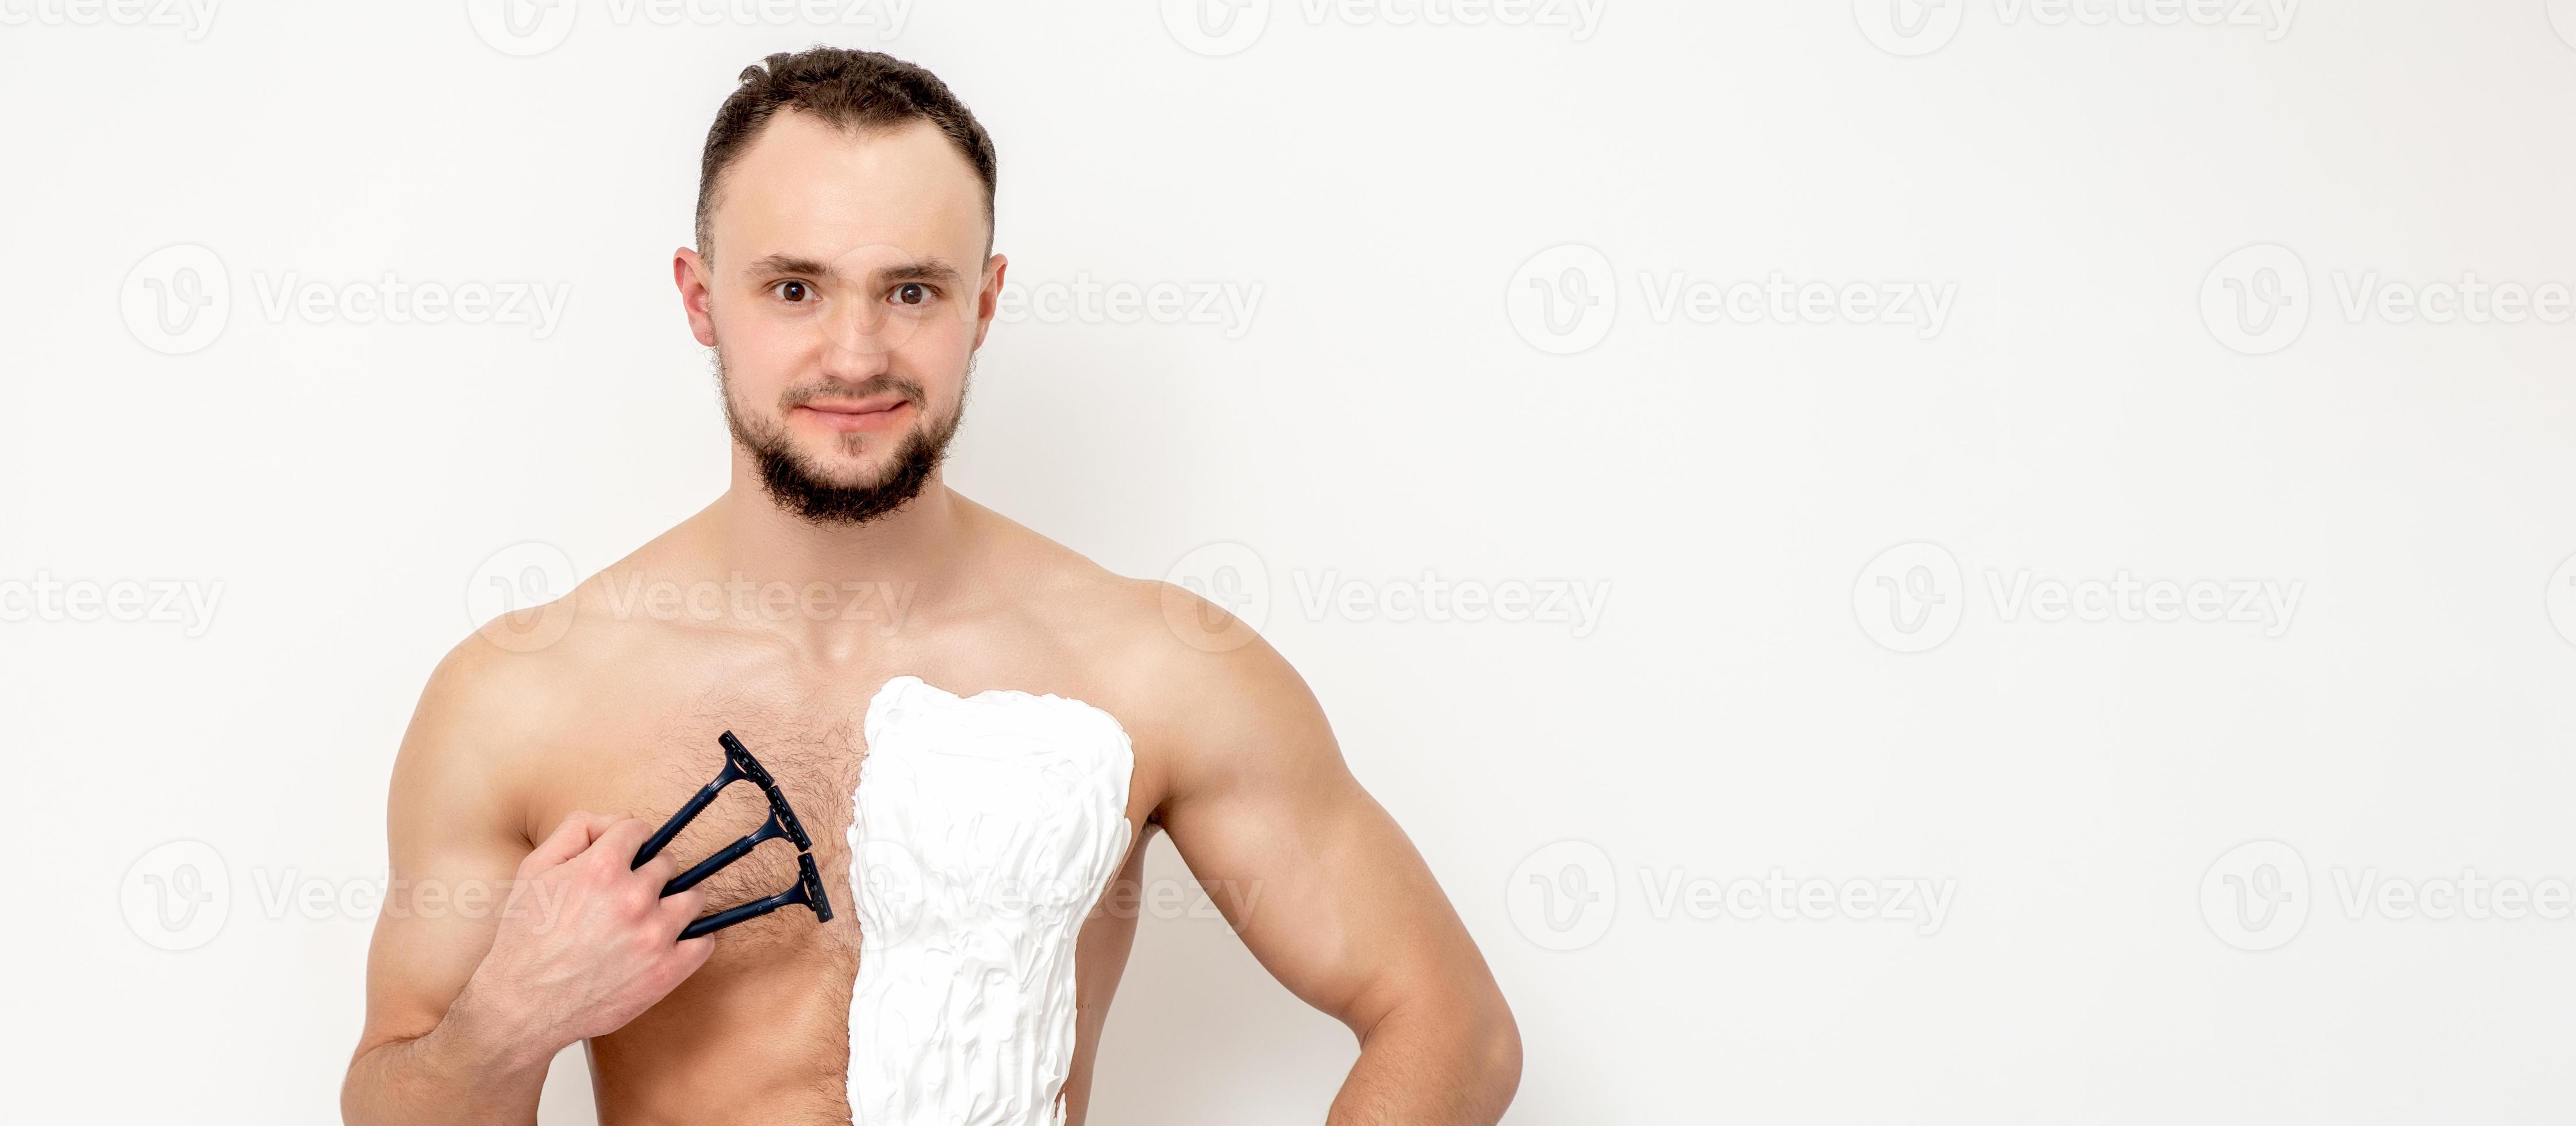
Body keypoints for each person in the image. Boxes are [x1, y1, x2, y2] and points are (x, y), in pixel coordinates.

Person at [340, 47, 1520, 1125]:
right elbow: (393, 1100)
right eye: (794, 289)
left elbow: (1451, 1026)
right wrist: (508, 1019)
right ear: (701, 300)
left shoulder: (1150, 666)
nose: (855, 355)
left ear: (984, 303)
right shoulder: (523, 697)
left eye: (911, 291)